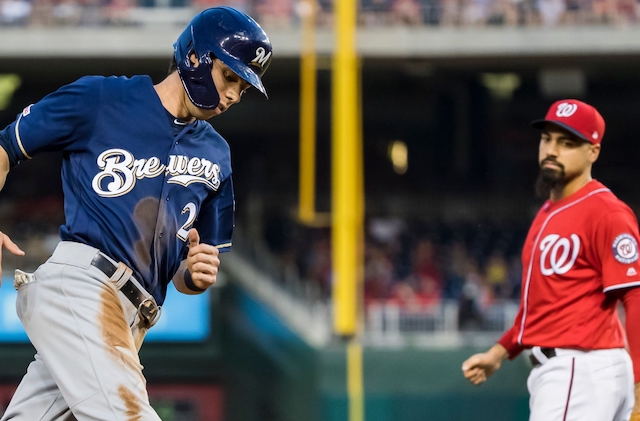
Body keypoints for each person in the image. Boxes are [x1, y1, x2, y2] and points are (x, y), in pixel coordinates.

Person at [0, 6, 272, 420]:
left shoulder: (217, 156)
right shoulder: (102, 99)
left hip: (132, 320)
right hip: (82, 286)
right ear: (195, 57)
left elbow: (184, 275)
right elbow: (5, 148)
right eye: (230, 77)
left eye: (244, 87)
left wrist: (195, 273)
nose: (234, 94)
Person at [462, 99, 640, 421]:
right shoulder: (547, 212)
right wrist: (498, 353)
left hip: (580, 370)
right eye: (547, 139)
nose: (552, 150)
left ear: (593, 152)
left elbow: (635, 296)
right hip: (575, 372)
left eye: (568, 143)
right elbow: (541, 308)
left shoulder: (606, 211)